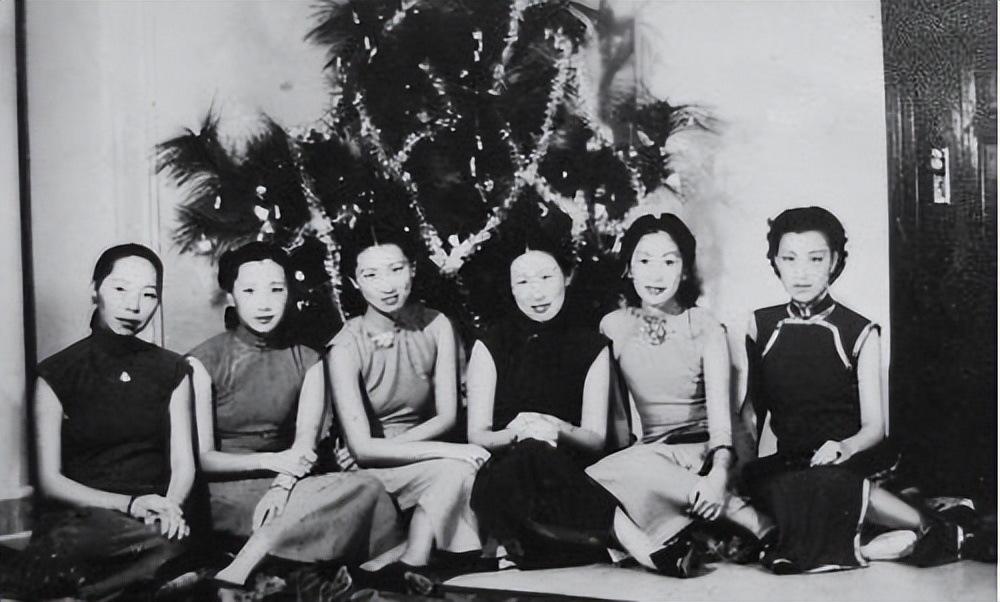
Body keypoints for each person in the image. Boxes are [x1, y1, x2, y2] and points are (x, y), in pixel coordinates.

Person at [741, 206, 964, 574]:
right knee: (766, 484)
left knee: (822, 485)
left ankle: (932, 528)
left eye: (815, 259)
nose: (801, 272)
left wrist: (843, 447)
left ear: (834, 261)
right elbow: (751, 413)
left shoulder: (859, 331)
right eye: (789, 259)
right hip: (793, 461)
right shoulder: (760, 325)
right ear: (775, 262)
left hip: (849, 457)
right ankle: (869, 546)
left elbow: (875, 427)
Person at [187, 242, 401, 588]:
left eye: (276, 289)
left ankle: (258, 556)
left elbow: (305, 443)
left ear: (289, 293)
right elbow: (203, 458)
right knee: (317, 504)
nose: (264, 303)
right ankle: (258, 566)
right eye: (250, 291)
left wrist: (282, 484)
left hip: (289, 480)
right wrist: (273, 462)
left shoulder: (309, 359)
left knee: (367, 486)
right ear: (231, 296)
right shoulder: (203, 361)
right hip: (223, 488)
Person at [466, 217, 668, 573]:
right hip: (507, 474)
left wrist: (556, 427)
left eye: (546, 277)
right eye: (522, 282)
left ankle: (535, 547)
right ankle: (637, 543)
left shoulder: (591, 344)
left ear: (567, 275)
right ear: (510, 287)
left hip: (569, 472)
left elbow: (595, 438)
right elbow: (478, 434)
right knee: (529, 451)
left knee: (540, 453)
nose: (536, 293)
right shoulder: (491, 343)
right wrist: (518, 433)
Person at [1, 244, 194, 601]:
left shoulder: (174, 370)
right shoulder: (57, 373)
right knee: (157, 553)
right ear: (95, 290)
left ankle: (70, 593)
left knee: (171, 541)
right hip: (84, 516)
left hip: (152, 516)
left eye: (148, 294)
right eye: (120, 289)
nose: (133, 306)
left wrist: (171, 507)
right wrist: (130, 503)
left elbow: (184, 464)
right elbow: (50, 481)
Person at [585, 214, 773, 573]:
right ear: (628, 267)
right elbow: (618, 418)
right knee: (601, 475)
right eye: (644, 261)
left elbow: (722, 422)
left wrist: (718, 474)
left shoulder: (705, 325)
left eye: (669, 262)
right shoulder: (613, 325)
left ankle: (739, 517)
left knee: (632, 469)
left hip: (707, 450)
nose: (656, 275)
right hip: (651, 454)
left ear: (685, 270)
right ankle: (726, 519)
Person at [326, 229, 488, 594]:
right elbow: (362, 450)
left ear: (412, 268)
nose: (387, 285)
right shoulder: (345, 347)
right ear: (354, 281)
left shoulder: (437, 324)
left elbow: (447, 416)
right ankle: (412, 559)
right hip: (372, 467)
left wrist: (413, 447)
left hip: (414, 454)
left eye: (396, 269)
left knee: (467, 466)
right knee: (459, 467)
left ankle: (397, 563)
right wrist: (445, 450)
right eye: (371, 275)